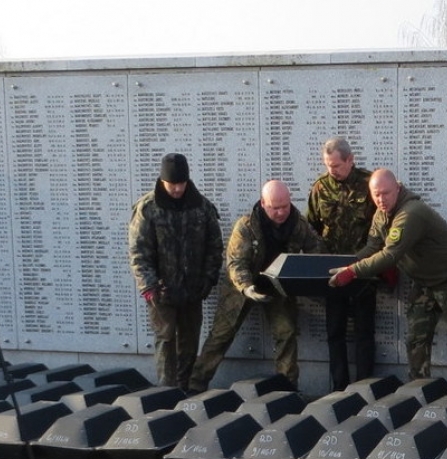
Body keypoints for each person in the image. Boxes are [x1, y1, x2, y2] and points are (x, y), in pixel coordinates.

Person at [328, 169, 447, 382]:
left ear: (397, 189)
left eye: (386, 193)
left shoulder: (410, 213)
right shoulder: (381, 215)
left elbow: (390, 254)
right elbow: (372, 247)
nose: (381, 199)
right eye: (376, 194)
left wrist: (353, 272)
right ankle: (419, 386)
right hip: (425, 281)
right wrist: (343, 265)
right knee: (416, 337)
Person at [190, 180, 323, 391]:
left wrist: (304, 277)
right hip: (242, 287)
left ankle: (287, 387)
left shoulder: (298, 224)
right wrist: (246, 287)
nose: (281, 213)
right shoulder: (246, 226)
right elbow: (236, 262)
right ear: (263, 203)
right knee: (221, 334)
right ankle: (195, 384)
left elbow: (316, 249)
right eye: (275, 207)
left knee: (286, 332)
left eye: (285, 206)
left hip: (277, 286)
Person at [128, 153, 223, 392]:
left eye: (181, 184)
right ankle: (166, 392)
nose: (178, 189)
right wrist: (149, 286)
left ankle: (187, 391)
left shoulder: (202, 207)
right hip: (162, 291)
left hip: (193, 289)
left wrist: (209, 278)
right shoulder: (148, 208)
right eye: (173, 184)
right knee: (166, 342)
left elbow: (214, 246)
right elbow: (139, 251)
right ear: (162, 181)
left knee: (189, 344)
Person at [307, 138, 377, 391]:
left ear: (350, 160)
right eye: (328, 165)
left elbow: (380, 225)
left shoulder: (369, 184)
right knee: (335, 331)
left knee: (364, 332)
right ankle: (339, 388)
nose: (332, 170)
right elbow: (311, 227)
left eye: (336, 165)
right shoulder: (320, 188)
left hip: (362, 270)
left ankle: (365, 387)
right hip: (332, 272)